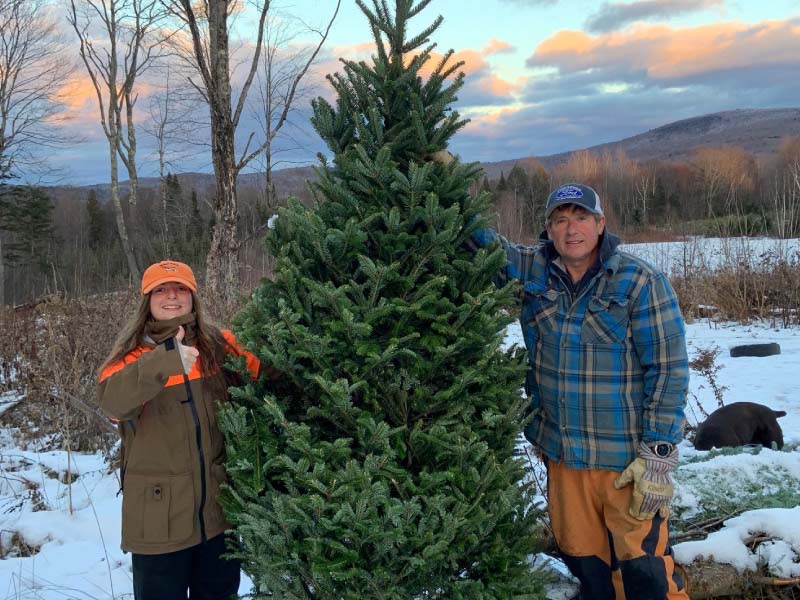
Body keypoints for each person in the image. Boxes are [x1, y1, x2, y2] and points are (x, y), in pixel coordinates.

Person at [472, 183, 689, 599]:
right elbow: (479, 243)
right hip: (564, 456)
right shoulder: (533, 271)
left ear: (601, 224)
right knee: (586, 566)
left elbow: (669, 369)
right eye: (560, 220)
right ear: (549, 229)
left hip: (624, 463)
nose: (571, 229)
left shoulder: (639, 282)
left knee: (646, 575)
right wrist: (437, 172)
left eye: (581, 218)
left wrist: (658, 454)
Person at [98, 260, 260, 600]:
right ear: (147, 300)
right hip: (158, 526)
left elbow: (266, 370)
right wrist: (165, 359)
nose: (172, 296)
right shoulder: (128, 359)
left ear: (193, 297)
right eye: (161, 289)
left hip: (218, 518)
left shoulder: (219, 346)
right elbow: (112, 403)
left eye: (180, 289)